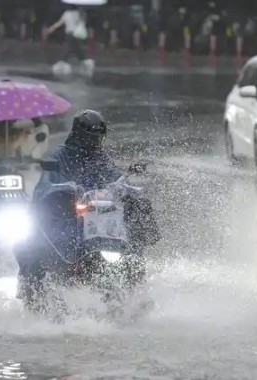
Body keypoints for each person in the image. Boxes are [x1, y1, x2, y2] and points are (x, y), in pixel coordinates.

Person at [16, 109, 159, 302]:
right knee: (36, 245)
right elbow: (47, 186)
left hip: (100, 217)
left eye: (98, 139)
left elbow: (115, 177)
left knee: (135, 216)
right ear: (79, 135)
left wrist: (127, 185)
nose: (95, 143)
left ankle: (136, 284)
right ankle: (39, 291)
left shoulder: (102, 158)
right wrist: (64, 192)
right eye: (91, 139)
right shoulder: (60, 156)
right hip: (68, 218)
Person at [44, 5, 94, 76]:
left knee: (67, 49)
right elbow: (82, 22)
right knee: (76, 50)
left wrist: (50, 29)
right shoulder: (79, 13)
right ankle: (86, 62)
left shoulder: (66, 13)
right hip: (76, 35)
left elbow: (59, 23)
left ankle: (62, 63)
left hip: (69, 34)